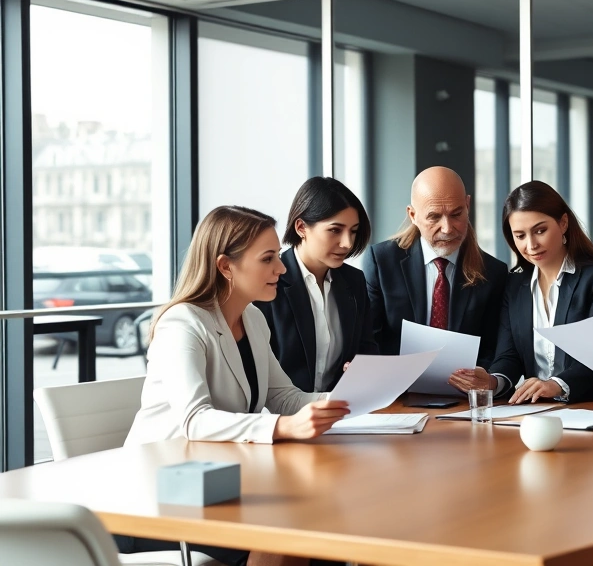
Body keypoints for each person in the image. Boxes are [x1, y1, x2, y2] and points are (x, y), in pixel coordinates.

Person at [121, 206, 350, 566]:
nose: (282, 268)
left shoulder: (253, 318)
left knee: (316, 519)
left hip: (217, 485)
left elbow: (282, 396)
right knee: (287, 527)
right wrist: (283, 425)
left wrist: (349, 399)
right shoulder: (182, 324)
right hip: (159, 496)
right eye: (268, 259)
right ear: (226, 266)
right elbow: (195, 420)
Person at [450, 181, 593, 404]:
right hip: (537, 413)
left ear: (563, 223)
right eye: (520, 236)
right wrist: (492, 381)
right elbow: (508, 355)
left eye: (540, 231)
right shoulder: (515, 284)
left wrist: (556, 385)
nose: (531, 245)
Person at [363, 166, 507, 371]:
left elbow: (493, 350)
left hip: (462, 395)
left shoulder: (493, 273)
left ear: (467, 205)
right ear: (413, 215)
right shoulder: (382, 262)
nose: (448, 228)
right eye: (434, 217)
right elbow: (370, 341)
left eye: (457, 214)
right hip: (396, 392)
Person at [255, 176, 378, 393]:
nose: (347, 243)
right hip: (282, 417)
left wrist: (361, 369)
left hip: (342, 412)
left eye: (353, 231)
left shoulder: (354, 282)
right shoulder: (268, 281)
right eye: (335, 230)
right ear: (301, 227)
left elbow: (366, 348)